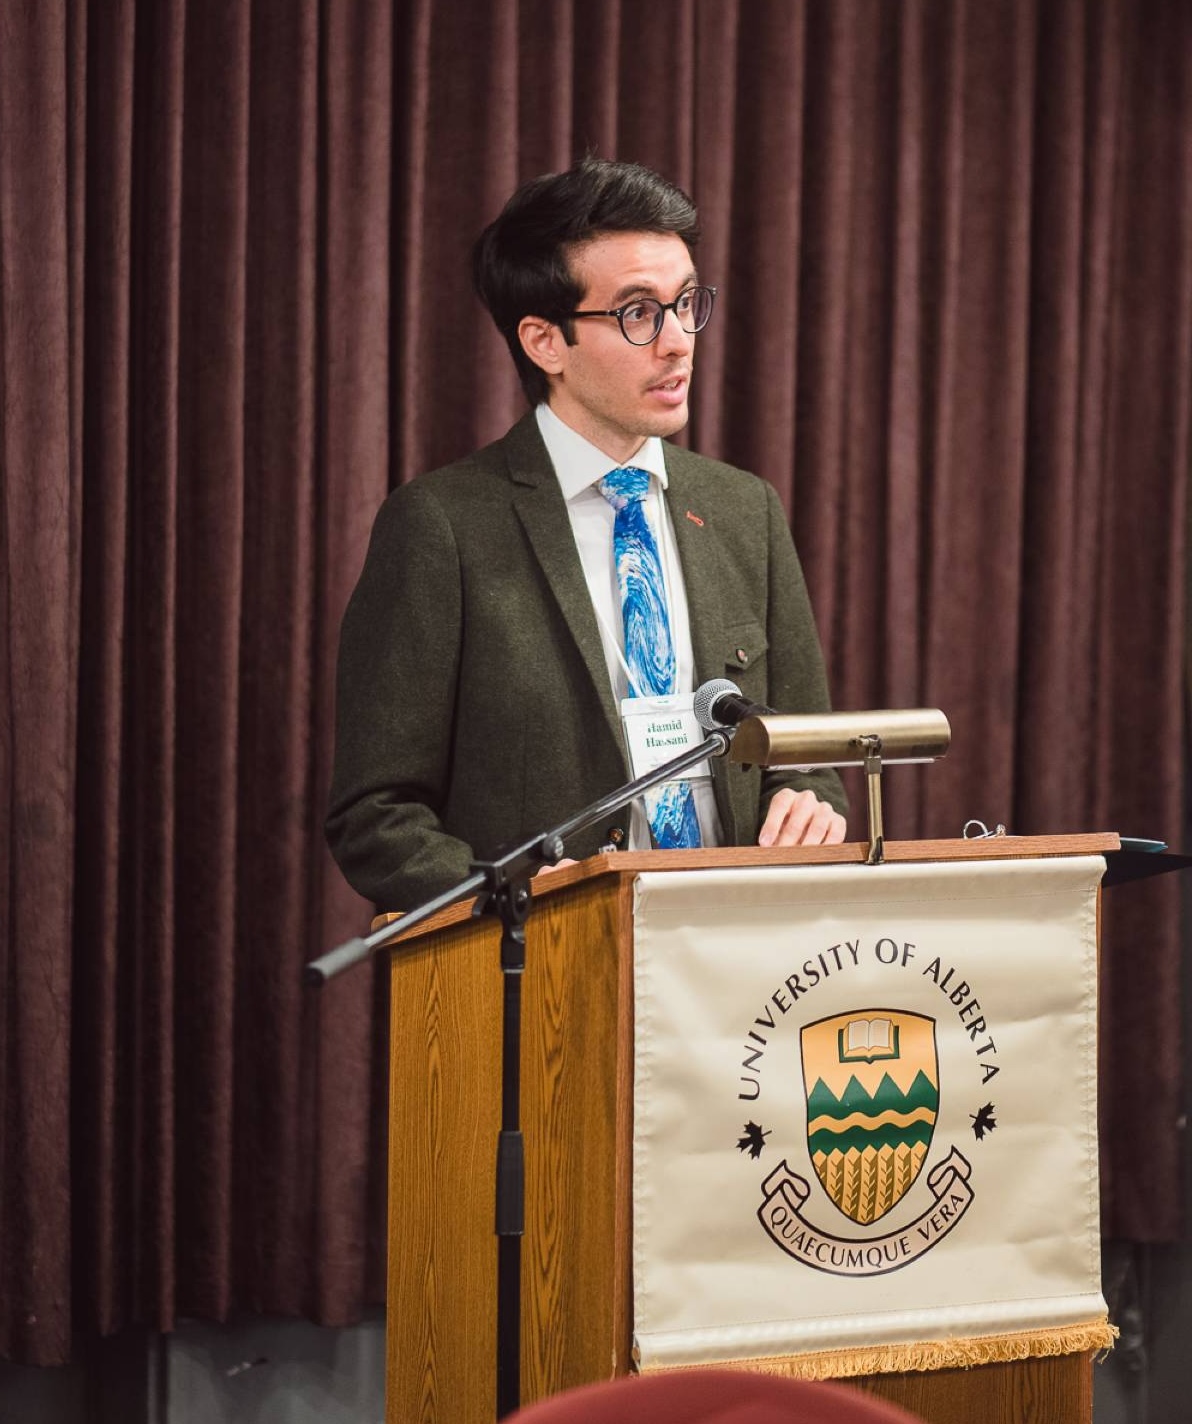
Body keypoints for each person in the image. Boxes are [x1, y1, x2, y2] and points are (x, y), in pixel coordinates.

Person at [327, 156, 846, 911]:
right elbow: (377, 816)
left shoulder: (744, 511)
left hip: (738, 967)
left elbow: (812, 755)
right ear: (545, 342)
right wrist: (523, 909)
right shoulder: (444, 526)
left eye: (686, 303)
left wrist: (807, 799)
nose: (678, 342)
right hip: (550, 978)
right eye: (638, 313)